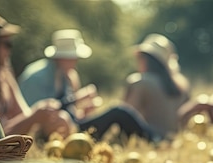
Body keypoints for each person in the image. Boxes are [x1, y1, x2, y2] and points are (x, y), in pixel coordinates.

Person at [18, 29, 162, 142]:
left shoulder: (66, 75)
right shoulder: (37, 77)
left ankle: (147, 138)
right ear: (62, 56)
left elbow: (70, 115)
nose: (76, 61)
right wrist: (78, 98)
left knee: (119, 112)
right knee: (118, 111)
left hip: (72, 127)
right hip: (54, 134)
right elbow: (41, 115)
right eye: (73, 57)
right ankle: (154, 139)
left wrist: (83, 112)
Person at [0, 11, 72, 138]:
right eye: (6, 44)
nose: (9, 51)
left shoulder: (3, 72)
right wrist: (34, 117)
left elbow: (22, 114)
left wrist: (44, 114)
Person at [122, 34, 191, 138]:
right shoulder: (182, 84)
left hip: (149, 138)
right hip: (175, 139)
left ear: (146, 59)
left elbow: (126, 116)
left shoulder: (139, 81)